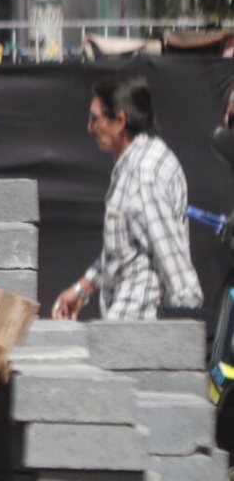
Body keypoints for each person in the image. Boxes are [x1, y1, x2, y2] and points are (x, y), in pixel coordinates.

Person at [53, 74, 203, 322]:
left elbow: (172, 258)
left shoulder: (146, 174)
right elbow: (124, 250)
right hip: (127, 323)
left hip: (139, 328)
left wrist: (185, 333)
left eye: (94, 118)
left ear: (119, 120)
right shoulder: (135, 164)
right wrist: (83, 289)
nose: (90, 127)